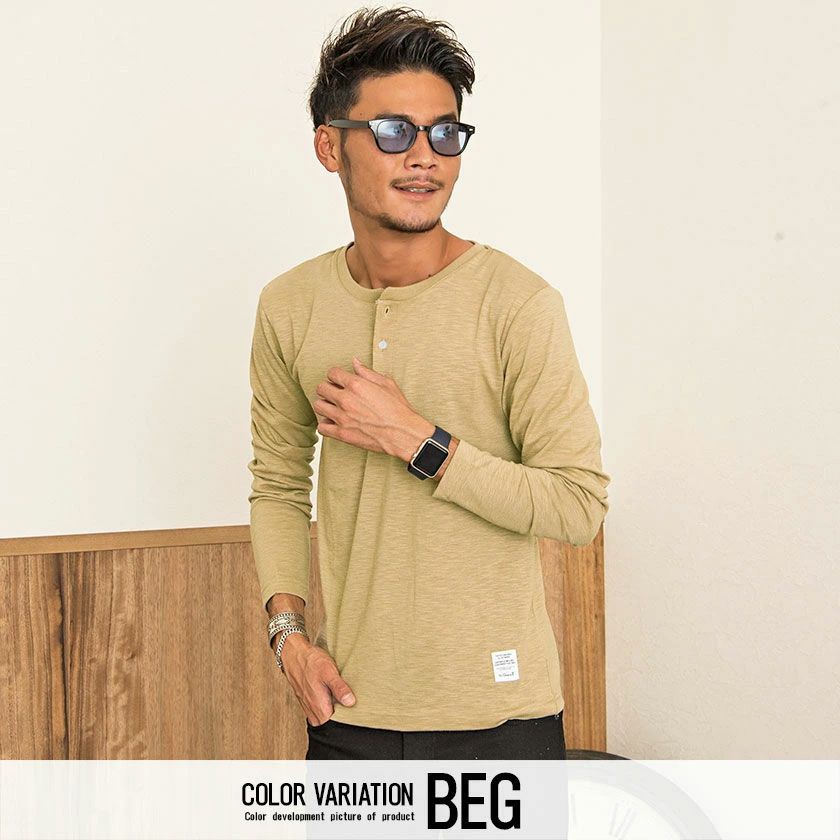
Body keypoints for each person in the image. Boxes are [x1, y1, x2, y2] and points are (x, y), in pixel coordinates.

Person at [247, 6, 610, 761]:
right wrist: (289, 638)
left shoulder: (518, 304)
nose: (425, 158)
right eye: (393, 131)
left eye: (445, 133)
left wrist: (420, 442)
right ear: (329, 146)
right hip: (347, 713)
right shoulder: (290, 305)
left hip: (501, 719)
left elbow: (578, 506)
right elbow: (278, 484)